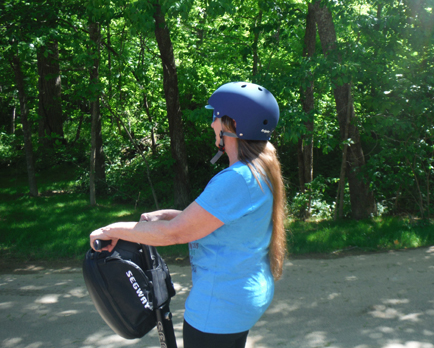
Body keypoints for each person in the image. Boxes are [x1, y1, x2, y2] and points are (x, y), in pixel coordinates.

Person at [90, 81, 287, 348]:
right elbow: (215, 222)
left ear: (233, 124)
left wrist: (110, 230)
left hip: (220, 306)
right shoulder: (260, 168)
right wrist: (169, 215)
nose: (211, 125)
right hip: (244, 295)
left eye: (215, 117)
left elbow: (177, 233)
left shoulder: (236, 179)